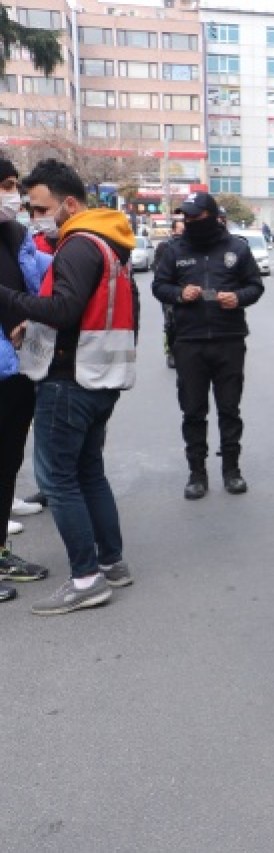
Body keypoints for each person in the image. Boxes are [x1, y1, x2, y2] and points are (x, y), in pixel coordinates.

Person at [0, 158, 138, 615]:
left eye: (40, 207)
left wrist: (9, 300)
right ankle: (110, 562)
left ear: (70, 203)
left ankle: (85, 578)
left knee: (58, 480)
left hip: (71, 381)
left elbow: (64, 310)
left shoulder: (78, 245)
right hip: (99, 379)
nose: (33, 214)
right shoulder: (110, 243)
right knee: (87, 472)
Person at [151, 191, 264, 500]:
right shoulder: (175, 249)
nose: (190, 223)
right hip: (189, 342)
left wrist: (238, 297)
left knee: (229, 409)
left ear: (212, 217)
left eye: (196, 218)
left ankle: (232, 470)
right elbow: (158, 286)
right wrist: (178, 294)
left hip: (229, 341)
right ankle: (197, 474)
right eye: (185, 218)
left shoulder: (237, 248)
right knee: (193, 411)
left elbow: (255, 285)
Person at [0, 157, 53, 600]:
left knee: (7, 461)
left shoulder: (15, 235)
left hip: (16, 371)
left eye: (12, 185)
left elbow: (42, 280)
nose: (11, 195)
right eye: (6, 186)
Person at [153, 215, 184, 369]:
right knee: (170, 323)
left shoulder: (190, 247)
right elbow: (158, 270)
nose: (181, 235)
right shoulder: (164, 248)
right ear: (172, 231)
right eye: (179, 231)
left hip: (189, 292)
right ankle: (171, 351)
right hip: (170, 293)